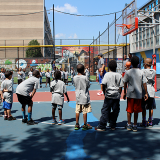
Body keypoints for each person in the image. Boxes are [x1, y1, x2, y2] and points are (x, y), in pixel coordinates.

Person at [95, 60, 123, 131]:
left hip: (109, 95)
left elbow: (103, 84)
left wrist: (104, 92)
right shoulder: (119, 75)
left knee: (105, 110)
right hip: (116, 96)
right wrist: (119, 93)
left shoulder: (107, 74)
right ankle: (112, 125)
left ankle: (102, 125)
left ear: (109, 67)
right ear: (116, 67)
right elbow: (120, 87)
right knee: (115, 110)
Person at [123, 56, 148, 132]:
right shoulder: (141, 72)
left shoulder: (128, 72)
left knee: (129, 110)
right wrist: (146, 93)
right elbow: (144, 83)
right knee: (136, 110)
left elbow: (125, 83)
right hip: (138, 94)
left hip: (130, 93)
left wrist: (124, 92)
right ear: (138, 63)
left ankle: (129, 124)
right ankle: (135, 125)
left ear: (131, 63)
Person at [73, 64, 92, 130]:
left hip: (78, 96)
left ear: (76, 70)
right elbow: (88, 85)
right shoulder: (85, 77)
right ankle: (85, 124)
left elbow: (74, 85)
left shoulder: (74, 77)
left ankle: (77, 124)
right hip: (84, 96)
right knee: (85, 111)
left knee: (77, 110)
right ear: (83, 70)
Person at [140, 58, 156, 127]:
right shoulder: (154, 71)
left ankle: (144, 121)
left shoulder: (142, 71)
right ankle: (150, 121)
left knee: (144, 107)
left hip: (145, 90)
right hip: (152, 90)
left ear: (145, 64)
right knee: (151, 107)